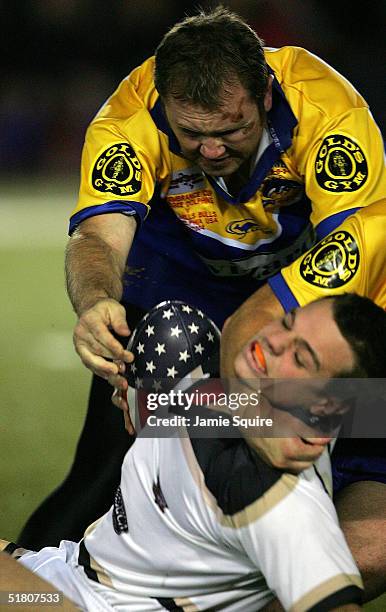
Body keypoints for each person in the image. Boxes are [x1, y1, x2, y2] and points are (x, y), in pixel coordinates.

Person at [18, 6, 386, 548]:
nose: (211, 150)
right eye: (191, 133)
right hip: (176, 288)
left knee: (360, 450)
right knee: (102, 476)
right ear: (163, 101)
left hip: (306, 290)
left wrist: (260, 368)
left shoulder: (330, 113)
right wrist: (96, 302)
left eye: (231, 129)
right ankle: (28, 590)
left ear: (265, 93)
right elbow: (98, 238)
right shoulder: (129, 117)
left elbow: (351, 252)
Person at [4, 293, 386, 611]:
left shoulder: (278, 495)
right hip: (67, 573)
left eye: (300, 358)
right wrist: (143, 402)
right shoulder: (221, 394)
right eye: (287, 323)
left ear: (327, 408)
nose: (272, 341)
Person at [219, 199, 386, 601]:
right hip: (334, 411)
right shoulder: (375, 231)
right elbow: (254, 317)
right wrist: (258, 425)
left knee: (357, 562)